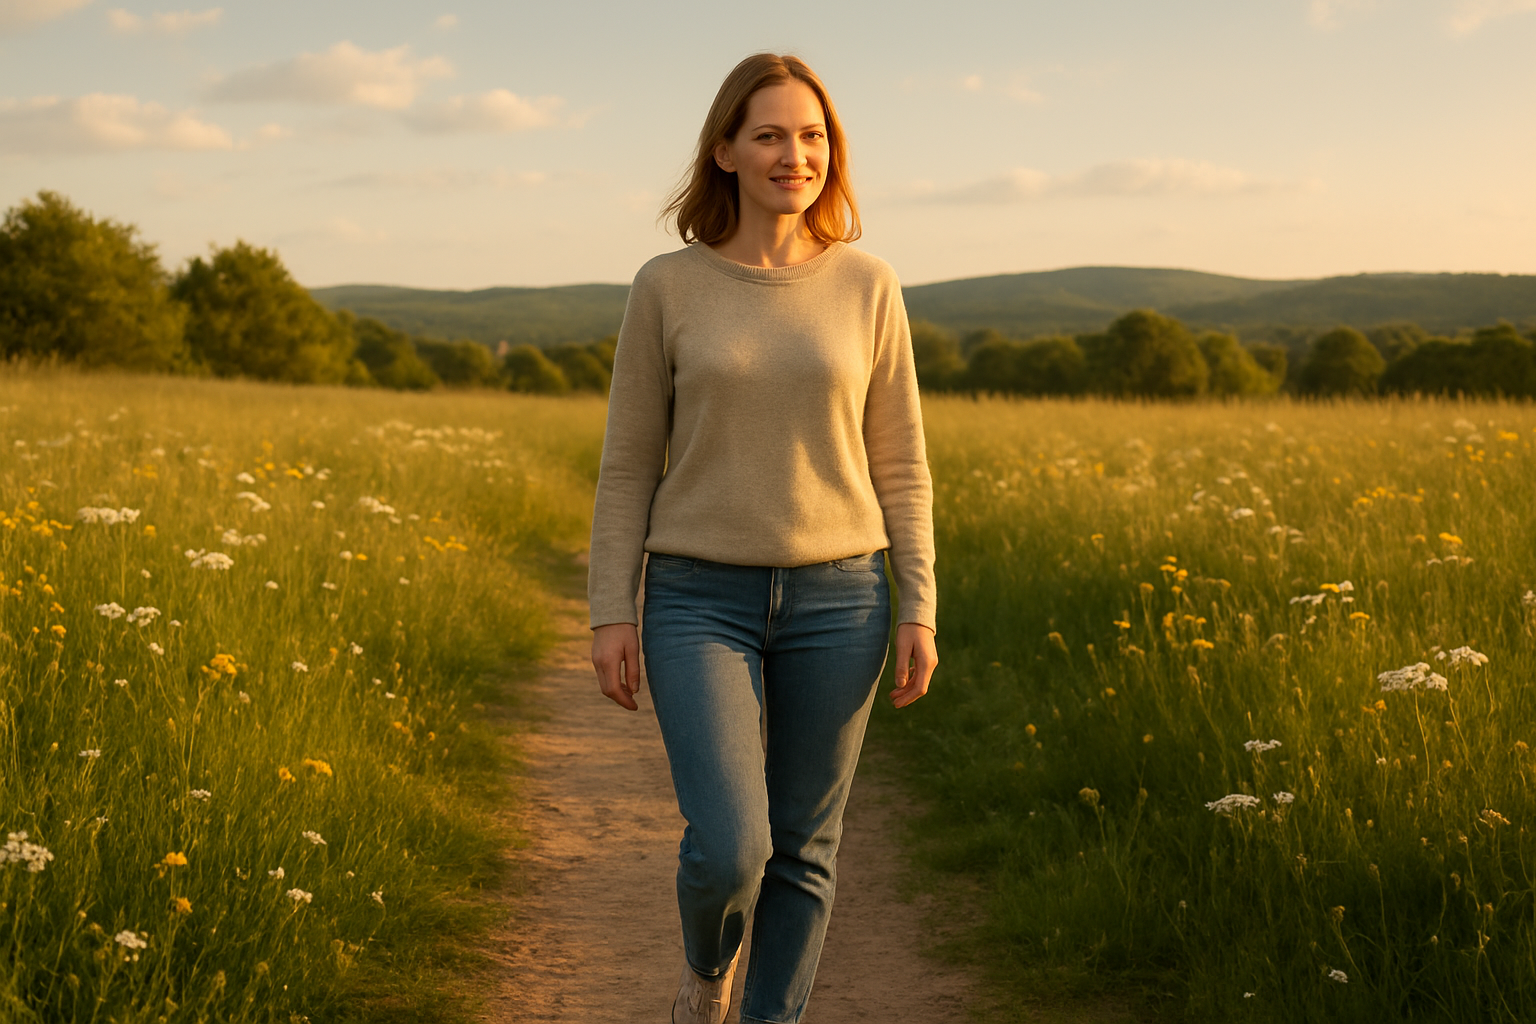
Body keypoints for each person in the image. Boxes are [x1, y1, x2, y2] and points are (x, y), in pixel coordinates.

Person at [587, 52, 938, 1024]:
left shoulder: (871, 285)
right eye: (772, 134)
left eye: (815, 135)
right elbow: (627, 466)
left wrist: (921, 606)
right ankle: (707, 974)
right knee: (733, 846)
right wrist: (612, 608)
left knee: (805, 848)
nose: (797, 154)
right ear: (727, 150)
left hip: (845, 598)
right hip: (699, 597)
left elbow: (902, 464)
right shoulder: (667, 286)